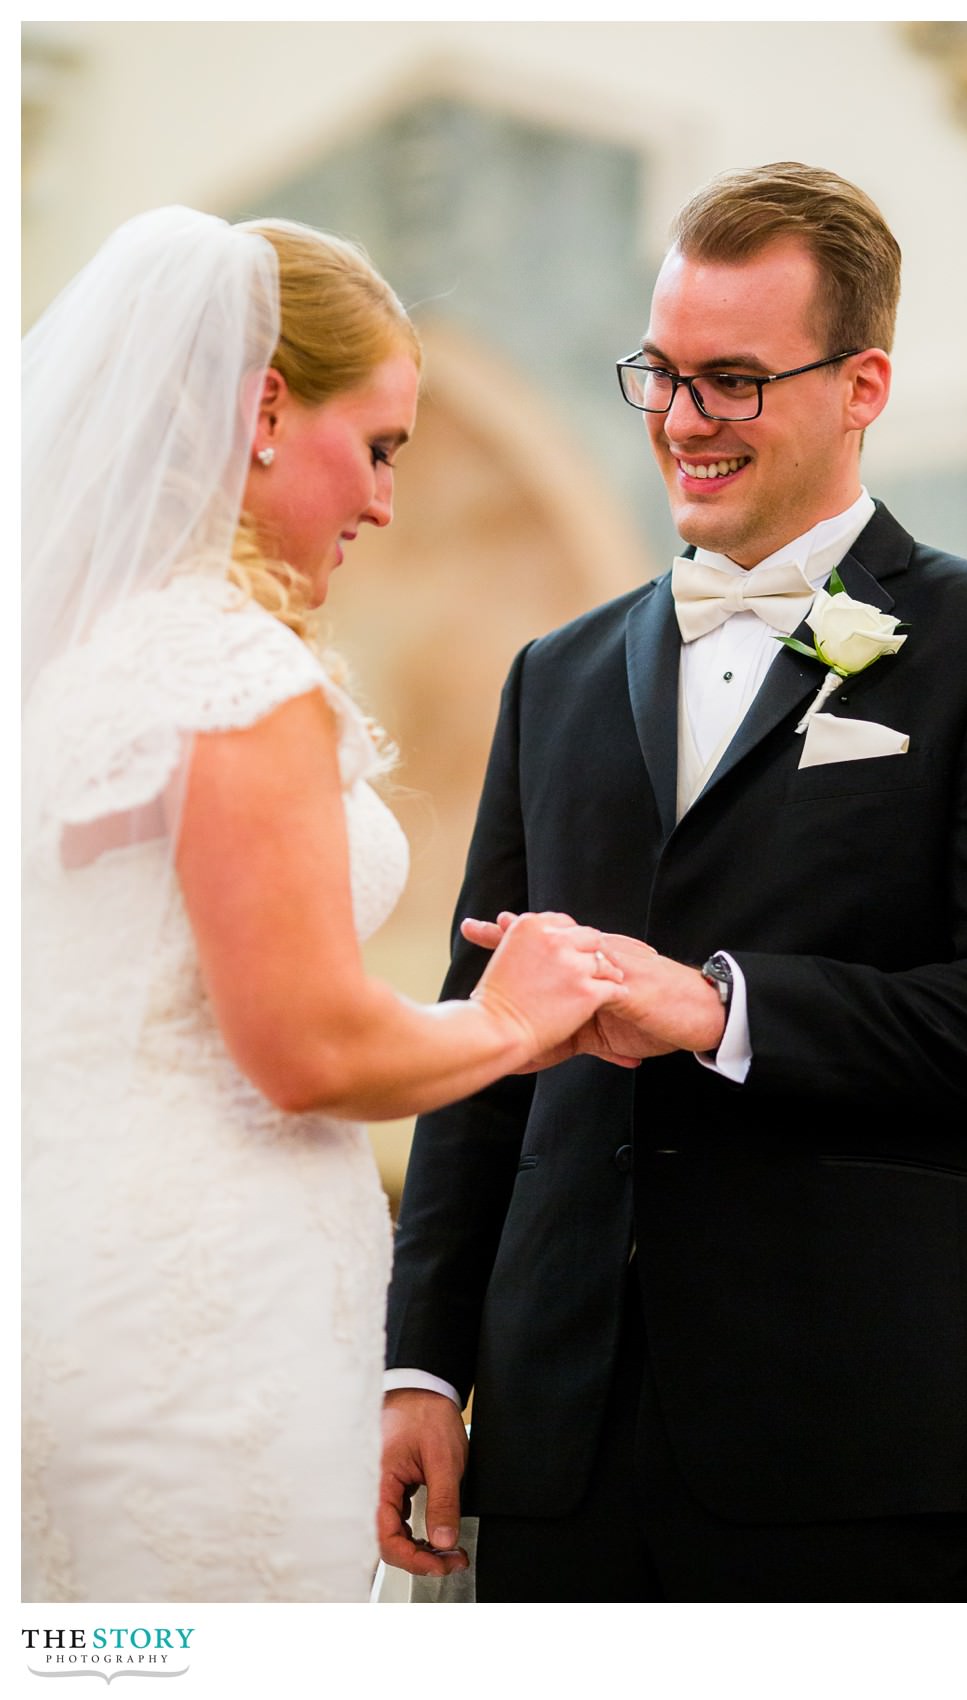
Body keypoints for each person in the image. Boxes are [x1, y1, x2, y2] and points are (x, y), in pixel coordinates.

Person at [379, 162, 967, 1603]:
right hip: (561, 1422)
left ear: (863, 381)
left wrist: (724, 1009)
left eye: (734, 381)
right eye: (664, 375)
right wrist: (425, 1362)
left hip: (856, 1423)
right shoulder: (553, 678)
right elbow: (474, 1026)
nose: (683, 423)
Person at [21, 206, 632, 1604]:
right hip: (207, 1321)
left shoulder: (71, 667)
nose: (383, 503)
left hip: (66, 1278)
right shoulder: (232, 674)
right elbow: (310, 1048)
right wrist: (515, 1018)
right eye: (378, 449)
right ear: (264, 409)